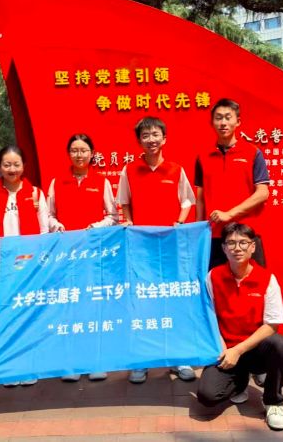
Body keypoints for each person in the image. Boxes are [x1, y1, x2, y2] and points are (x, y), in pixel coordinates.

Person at [117, 116, 197, 384]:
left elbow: (187, 200)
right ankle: (142, 361)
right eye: (145, 135)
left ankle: (178, 357)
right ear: (139, 141)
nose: (151, 140)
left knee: (172, 299)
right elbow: (124, 202)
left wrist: (180, 222)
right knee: (142, 301)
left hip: (170, 247)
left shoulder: (176, 170)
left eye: (155, 135)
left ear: (164, 138)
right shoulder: (129, 170)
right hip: (141, 249)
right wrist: (129, 222)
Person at [197, 222, 283, 431]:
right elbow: (208, 317)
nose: (237, 248)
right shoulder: (213, 277)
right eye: (231, 243)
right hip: (226, 347)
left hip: (255, 348)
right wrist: (223, 348)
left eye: (243, 243)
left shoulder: (267, 279)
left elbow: (272, 324)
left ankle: (274, 402)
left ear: (253, 247)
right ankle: (240, 381)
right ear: (223, 248)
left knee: (280, 345)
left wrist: (238, 350)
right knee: (207, 396)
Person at [0, 145, 48, 386]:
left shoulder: (35, 194)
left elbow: (44, 231)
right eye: (7, 165)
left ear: (24, 166)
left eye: (16, 164)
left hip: (27, 268)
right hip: (0, 267)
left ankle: (28, 366)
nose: (12, 169)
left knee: (27, 314)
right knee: (4, 316)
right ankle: (8, 367)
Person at [48, 133, 118, 382]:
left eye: (84, 150)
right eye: (75, 150)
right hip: (66, 256)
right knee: (69, 305)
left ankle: (95, 360)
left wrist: (96, 227)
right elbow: (48, 214)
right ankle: (71, 363)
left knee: (93, 304)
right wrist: (56, 225)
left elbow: (113, 216)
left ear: (92, 154)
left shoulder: (101, 181)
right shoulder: (57, 182)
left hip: (93, 255)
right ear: (69, 154)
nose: (79, 155)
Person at [195, 98, 270, 269]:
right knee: (213, 282)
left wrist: (230, 214)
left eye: (228, 117)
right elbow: (200, 198)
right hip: (215, 236)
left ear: (238, 122)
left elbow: (262, 193)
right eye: (218, 118)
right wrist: (199, 231)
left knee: (255, 282)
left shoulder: (253, 153)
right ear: (212, 122)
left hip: (247, 234)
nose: (223, 123)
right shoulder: (202, 157)